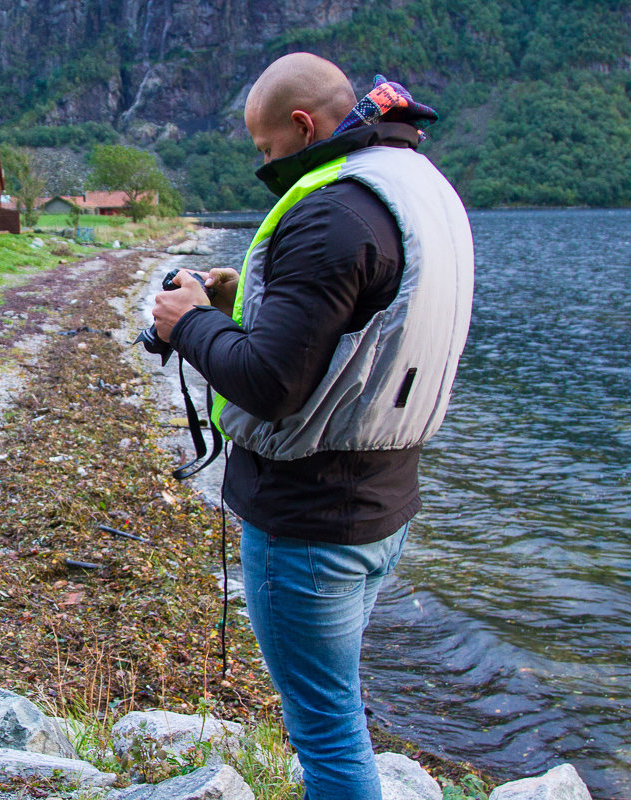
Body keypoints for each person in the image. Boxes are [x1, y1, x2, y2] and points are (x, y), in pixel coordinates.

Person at [151, 53, 473, 800]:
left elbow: (269, 384)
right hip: (383, 506)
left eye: (266, 150)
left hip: (309, 524)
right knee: (340, 702)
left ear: (302, 126)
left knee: (324, 729)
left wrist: (188, 322)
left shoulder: (329, 210)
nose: (263, 163)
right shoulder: (412, 187)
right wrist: (237, 305)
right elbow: (357, 332)